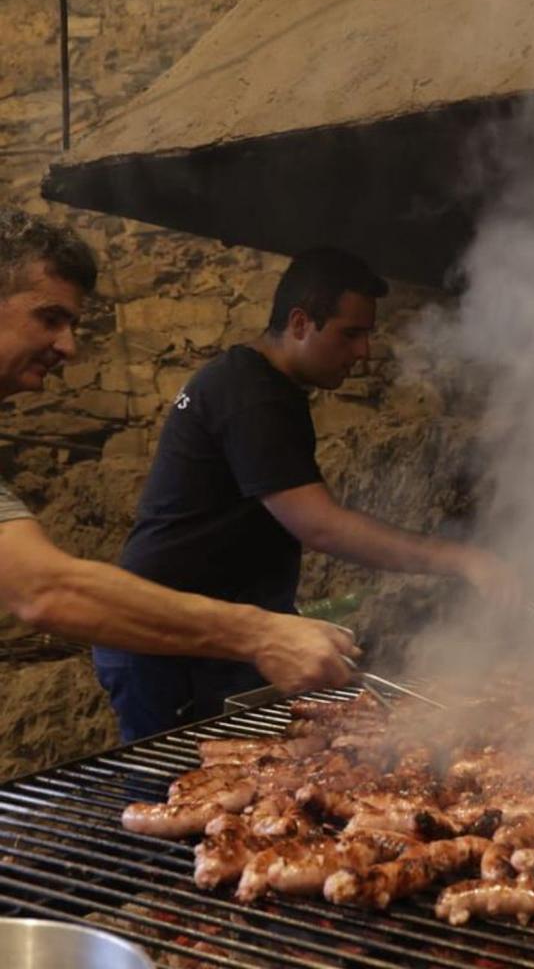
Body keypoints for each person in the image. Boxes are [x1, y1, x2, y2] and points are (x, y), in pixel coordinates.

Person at [95, 246, 522, 740]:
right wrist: (461, 558)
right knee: (176, 792)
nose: (363, 352)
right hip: (166, 640)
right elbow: (319, 524)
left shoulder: (257, 385)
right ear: (300, 323)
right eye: (350, 334)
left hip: (215, 631)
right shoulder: (252, 393)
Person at [0, 209, 357, 701]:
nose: (69, 347)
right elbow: (43, 590)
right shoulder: (248, 389)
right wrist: (260, 633)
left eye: (72, 324)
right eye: (49, 318)